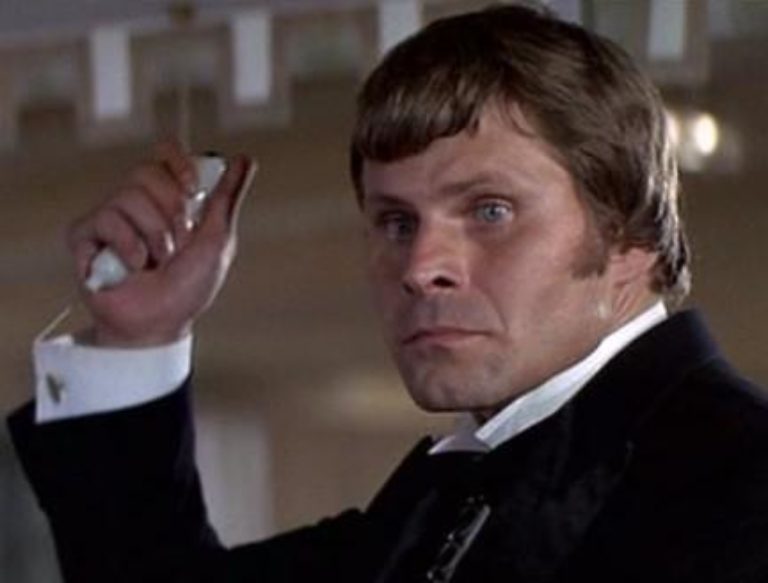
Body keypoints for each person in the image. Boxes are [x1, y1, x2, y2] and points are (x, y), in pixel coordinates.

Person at [8, 3, 768, 582]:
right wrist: (140, 338)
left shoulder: (739, 481)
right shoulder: (436, 506)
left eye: (490, 211)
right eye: (397, 222)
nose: (420, 264)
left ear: (631, 237)